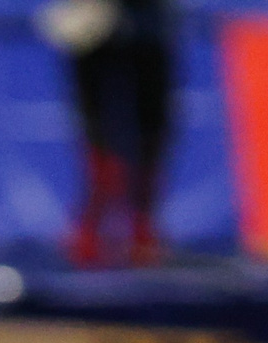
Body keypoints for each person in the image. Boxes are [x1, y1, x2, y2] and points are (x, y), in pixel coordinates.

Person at [37, 0, 175, 267]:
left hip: (148, 26)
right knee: (97, 132)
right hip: (91, 24)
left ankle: (142, 232)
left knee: (151, 131)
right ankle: (91, 232)